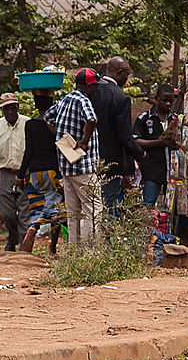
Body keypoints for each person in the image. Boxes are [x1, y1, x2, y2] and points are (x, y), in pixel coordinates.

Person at [44, 68, 102, 243]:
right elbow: (91, 120)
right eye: (95, 86)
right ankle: (90, 253)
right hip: (83, 166)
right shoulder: (83, 100)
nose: (97, 89)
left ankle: (75, 253)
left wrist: (64, 140)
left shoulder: (65, 100)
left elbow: (47, 117)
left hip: (67, 166)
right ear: (87, 86)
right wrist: (83, 141)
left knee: (73, 213)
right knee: (92, 209)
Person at [92, 56, 146, 211]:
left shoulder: (90, 91)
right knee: (110, 206)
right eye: (126, 75)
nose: (126, 80)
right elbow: (124, 136)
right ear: (119, 72)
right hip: (111, 165)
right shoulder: (120, 98)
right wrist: (140, 155)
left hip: (88, 161)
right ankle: (108, 235)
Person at [18, 91, 65, 255]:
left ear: (36, 106)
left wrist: (20, 174)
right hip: (54, 172)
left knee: (37, 205)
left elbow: (28, 151)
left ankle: (33, 226)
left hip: (35, 173)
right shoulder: (56, 125)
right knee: (57, 210)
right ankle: (52, 248)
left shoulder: (29, 124)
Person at [0, 92, 31, 251]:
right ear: (2, 110)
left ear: (17, 107)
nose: (9, 111)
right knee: (5, 213)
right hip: (4, 172)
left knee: (24, 213)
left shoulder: (27, 123)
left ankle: (24, 248)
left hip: (25, 173)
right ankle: (12, 238)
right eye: (6, 108)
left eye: (12, 107)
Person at [132, 84, 178, 208]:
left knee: (173, 208)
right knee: (148, 206)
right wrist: (157, 143)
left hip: (172, 173)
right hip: (151, 172)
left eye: (170, 101)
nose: (168, 104)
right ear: (156, 98)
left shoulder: (175, 120)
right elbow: (135, 141)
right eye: (164, 100)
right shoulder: (144, 119)